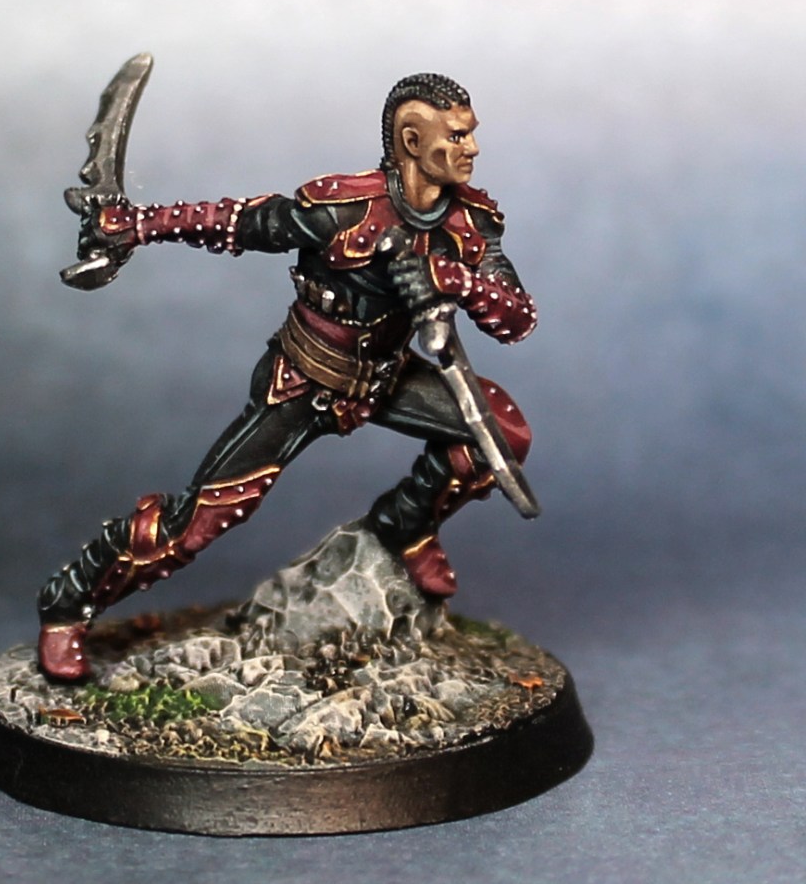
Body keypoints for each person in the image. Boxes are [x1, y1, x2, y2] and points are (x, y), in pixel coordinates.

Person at [37, 72, 537, 681]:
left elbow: (517, 319)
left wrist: (454, 280)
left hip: (386, 379)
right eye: (456, 136)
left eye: (470, 133)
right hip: (302, 381)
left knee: (498, 435)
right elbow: (238, 222)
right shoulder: (342, 208)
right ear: (412, 140)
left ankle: (406, 524)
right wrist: (136, 225)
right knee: (195, 524)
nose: (472, 148)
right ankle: (67, 606)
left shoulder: (471, 223)